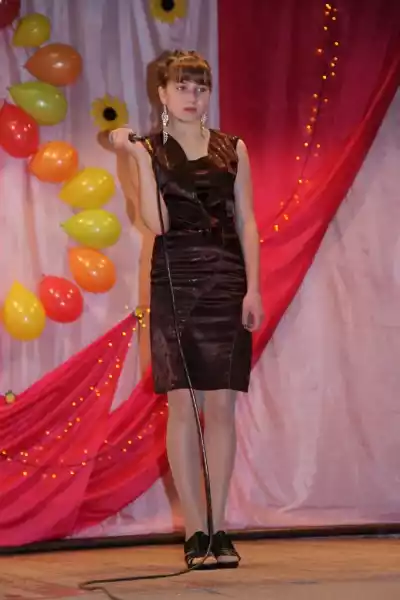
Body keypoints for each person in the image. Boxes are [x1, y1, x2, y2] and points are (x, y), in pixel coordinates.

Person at [110, 50, 263, 569]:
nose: (192, 97)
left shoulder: (233, 148)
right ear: (162, 93)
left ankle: (220, 527)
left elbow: (247, 221)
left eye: (200, 88)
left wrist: (254, 289)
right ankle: (195, 531)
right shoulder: (148, 149)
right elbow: (156, 224)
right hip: (174, 282)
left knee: (221, 409)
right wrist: (137, 158)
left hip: (226, 281)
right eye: (182, 87)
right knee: (182, 407)